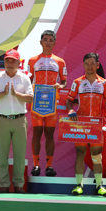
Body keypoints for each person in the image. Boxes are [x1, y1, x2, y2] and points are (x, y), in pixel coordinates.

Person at [0, 49, 33, 193]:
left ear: (19, 63)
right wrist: (4, 93)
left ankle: (18, 185)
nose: (10, 63)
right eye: (7, 60)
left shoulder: (24, 78)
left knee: (20, 155)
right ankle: (4, 185)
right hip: (2, 119)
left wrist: (16, 94)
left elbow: (30, 98)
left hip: (19, 120)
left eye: (13, 61)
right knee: (2, 155)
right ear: (4, 62)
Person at [66, 53, 106, 197]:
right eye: (87, 64)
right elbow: (69, 100)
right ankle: (79, 185)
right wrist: (71, 110)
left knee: (97, 155)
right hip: (81, 123)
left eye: (92, 63)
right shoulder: (77, 82)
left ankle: (99, 186)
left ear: (97, 65)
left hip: (97, 123)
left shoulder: (104, 83)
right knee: (80, 153)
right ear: (83, 65)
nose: (90, 66)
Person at [27, 30, 67, 177]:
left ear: (55, 42)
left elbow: (64, 81)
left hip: (51, 102)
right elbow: (28, 80)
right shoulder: (32, 60)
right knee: (37, 133)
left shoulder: (60, 61)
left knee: (49, 133)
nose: (48, 42)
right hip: (37, 101)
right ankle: (36, 165)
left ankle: (49, 166)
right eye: (45, 39)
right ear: (40, 42)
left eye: (51, 40)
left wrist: (60, 86)